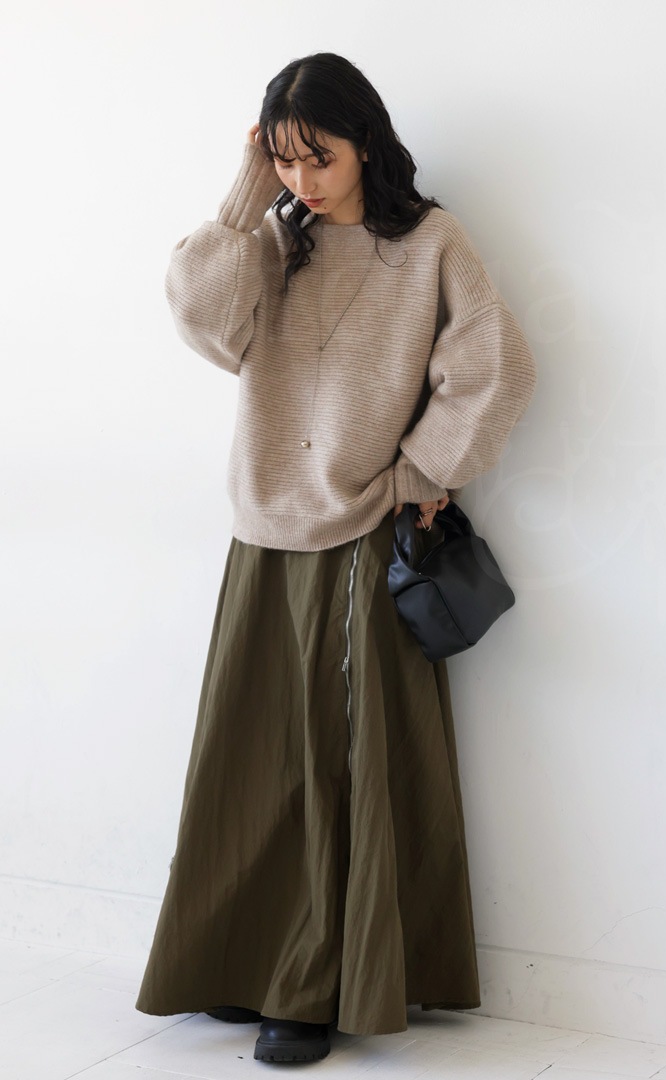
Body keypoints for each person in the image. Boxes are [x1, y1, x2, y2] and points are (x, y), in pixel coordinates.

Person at [133, 51, 538, 1065]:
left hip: (361, 528)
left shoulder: (430, 243)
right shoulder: (274, 246)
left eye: (320, 156)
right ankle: (244, 958)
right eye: (285, 159)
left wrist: (422, 471)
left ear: (366, 140)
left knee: (332, 760)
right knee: (253, 757)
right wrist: (248, 194)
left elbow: (497, 366)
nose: (303, 179)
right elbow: (199, 318)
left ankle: (316, 984)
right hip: (262, 529)